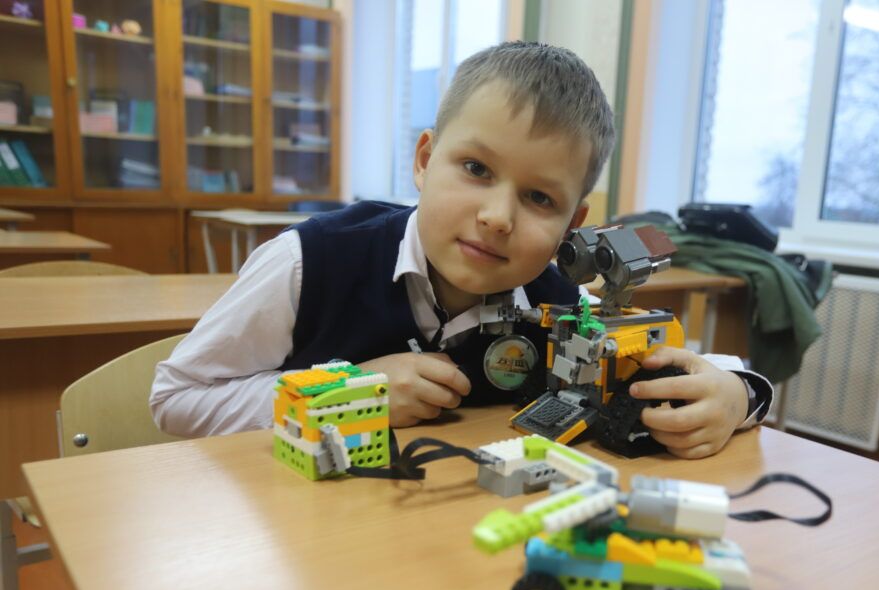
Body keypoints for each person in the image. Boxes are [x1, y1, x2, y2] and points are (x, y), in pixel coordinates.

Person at [151, 41, 772, 460]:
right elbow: (175, 401)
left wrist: (740, 396)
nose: (497, 217)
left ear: (572, 225)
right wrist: (347, 395)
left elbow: (703, 367)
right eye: (476, 168)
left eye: (539, 198)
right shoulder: (307, 262)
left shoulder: (559, 301)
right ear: (425, 160)